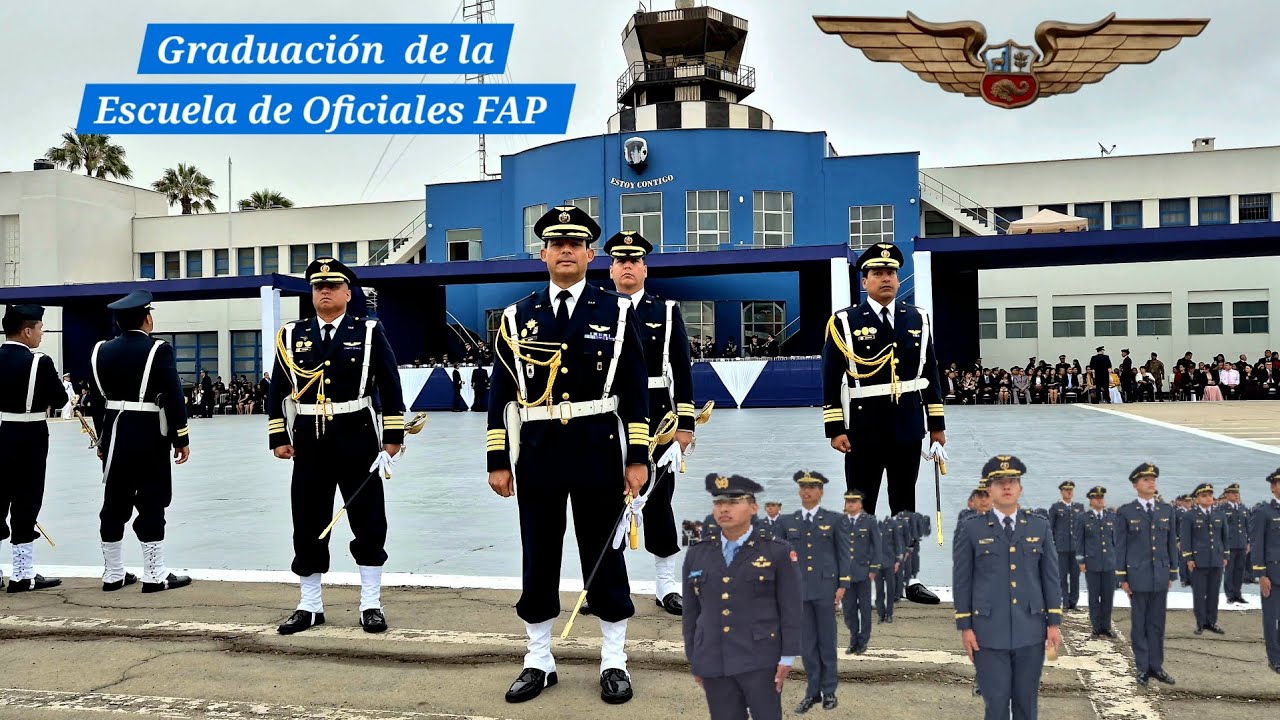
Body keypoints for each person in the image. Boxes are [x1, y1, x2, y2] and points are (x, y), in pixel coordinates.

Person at [485, 206, 649, 705]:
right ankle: (538, 659)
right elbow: (500, 394)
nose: (565, 251)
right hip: (537, 452)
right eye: (556, 244)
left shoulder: (617, 312)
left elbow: (635, 389)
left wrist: (637, 456)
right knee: (539, 553)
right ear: (543, 253)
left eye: (575, 244)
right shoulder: (517, 316)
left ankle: (614, 659)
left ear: (589, 254)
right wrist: (497, 458)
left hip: (598, 447)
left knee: (604, 553)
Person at [268, 258, 405, 635]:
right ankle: (310, 605)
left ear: (348, 293)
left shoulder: (369, 332)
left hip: (357, 434)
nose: (324, 291)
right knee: (308, 520)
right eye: (317, 286)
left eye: (332, 285)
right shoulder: (292, 335)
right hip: (310, 438)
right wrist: (279, 436)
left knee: (368, 519)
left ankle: (370, 603)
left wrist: (392, 438)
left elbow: (390, 386)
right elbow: (278, 388)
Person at [603, 230, 696, 616]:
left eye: (634, 260)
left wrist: (685, 425)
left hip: (658, 416)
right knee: (605, 504)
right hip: (608, 417)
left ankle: (665, 585)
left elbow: (683, 371)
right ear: (610, 269)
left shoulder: (666, 311)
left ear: (645, 268)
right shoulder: (599, 310)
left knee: (659, 502)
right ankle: (607, 588)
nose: (627, 265)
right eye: (620, 260)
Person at [821, 242, 946, 514]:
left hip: (908, 426)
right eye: (877, 273)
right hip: (863, 428)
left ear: (899, 280)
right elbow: (831, 378)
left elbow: (930, 375)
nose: (886, 278)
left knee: (904, 501)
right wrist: (835, 428)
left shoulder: (918, 319)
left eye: (891, 273)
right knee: (861, 502)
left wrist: (937, 426)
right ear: (864, 281)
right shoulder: (844, 321)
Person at [88, 290, 192, 593]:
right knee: (152, 499)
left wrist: (102, 441)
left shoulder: (100, 351)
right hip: (148, 433)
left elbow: (97, 402)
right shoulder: (158, 349)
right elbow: (173, 396)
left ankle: (113, 573)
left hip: (115, 433)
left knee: (114, 502)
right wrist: (180, 437)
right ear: (147, 318)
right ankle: (154, 574)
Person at [682, 473, 801, 720]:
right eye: (718, 502)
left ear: (754, 507)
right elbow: (692, 612)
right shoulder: (697, 553)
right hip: (714, 657)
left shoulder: (777, 552)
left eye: (734, 502)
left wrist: (787, 656)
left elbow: (790, 607)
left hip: (760, 657)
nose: (724, 508)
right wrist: (695, 657)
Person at [953, 455, 1062, 720]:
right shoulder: (971, 529)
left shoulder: (1039, 525)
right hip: (988, 633)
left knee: (1027, 705)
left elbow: (1050, 577)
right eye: (999, 482)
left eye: (1012, 481)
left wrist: (1053, 622)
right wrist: (965, 627)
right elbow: (962, 580)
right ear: (989, 490)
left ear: (1020, 488)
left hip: (1031, 630)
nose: (1006, 486)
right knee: (997, 705)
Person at [0, 304, 68, 593]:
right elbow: (61, 399)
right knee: (26, 501)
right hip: (29, 433)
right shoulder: (39, 362)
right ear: (27, 330)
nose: (42, 334)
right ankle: (22, 574)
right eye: (40, 328)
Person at [775, 471, 850, 713]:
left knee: (826, 643)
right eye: (803, 487)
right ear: (799, 492)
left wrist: (843, 585)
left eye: (813, 487)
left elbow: (843, 554)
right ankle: (813, 693)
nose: (807, 491)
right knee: (807, 645)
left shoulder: (836, 520)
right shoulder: (788, 522)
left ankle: (829, 692)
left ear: (821, 492)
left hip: (825, 589)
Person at [1115, 463, 1178, 686]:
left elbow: (1171, 543)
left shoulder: (1166, 510)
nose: (1151, 483)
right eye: (1145, 480)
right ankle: (1142, 667)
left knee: (1157, 624)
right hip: (1137, 576)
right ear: (1135, 485)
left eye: (1153, 479)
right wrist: (1122, 577)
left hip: (1160, 575)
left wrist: (1172, 572)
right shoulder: (1126, 512)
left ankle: (1156, 667)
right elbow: (1120, 547)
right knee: (1139, 625)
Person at [1181, 483, 1227, 635]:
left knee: (1214, 593)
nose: (1208, 498)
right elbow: (1186, 538)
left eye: (1210, 495)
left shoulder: (1219, 514)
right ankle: (1200, 623)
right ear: (1196, 499)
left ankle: (1211, 622)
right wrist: (1188, 558)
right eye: (1204, 495)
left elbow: (1225, 537)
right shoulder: (1189, 516)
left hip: (1216, 560)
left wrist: (1225, 555)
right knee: (1199, 593)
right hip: (1198, 560)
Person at [840, 490, 880, 655]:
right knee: (848, 610)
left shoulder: (869, 522)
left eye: (853, 502)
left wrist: (874, 568)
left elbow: (877, 546)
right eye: (847, 502)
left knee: (864, 609)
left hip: (864, 573)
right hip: (846, 574)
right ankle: (853, 638)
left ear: (860, 504)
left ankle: (861, 642)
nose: (850, 505)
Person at [1074, 486, 1117, 637]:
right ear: (1091, 501)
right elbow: (1079, 541)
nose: (1100, 500)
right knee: (1094, 596)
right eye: (1097, 498)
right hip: (1092, 563)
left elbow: (1115, 541)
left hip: (1109, 563)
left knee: (1108, 596)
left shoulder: (1111, 517)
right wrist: (1081, 561)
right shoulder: (1083, 518)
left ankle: (1106, 626)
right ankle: (1096, 627)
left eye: (1102, 498)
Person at [1250, 469, 1280, 673]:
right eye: (1277, 483)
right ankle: (1275, 658)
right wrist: (1261, 575)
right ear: (1273, 487)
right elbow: (1257, 544)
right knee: (1271, 619)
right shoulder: (1264, 512)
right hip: (1273, 574)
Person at [1049, 481, 1084, 610]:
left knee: (1075, 575)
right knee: (1062, 575)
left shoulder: (1079, 507)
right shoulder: (1056, 507)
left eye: (1071, 490)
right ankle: (1065, 602)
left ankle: (1074, 602)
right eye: (1066, 490)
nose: (1069, 492)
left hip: (1076, 548)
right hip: (1061, 547)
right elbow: (1050, 528)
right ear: (1061, 492)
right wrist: (1052, 545)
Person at [1219, 482, 1250, 604]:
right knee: (1229, 570)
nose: (1236, 495)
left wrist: (1248, 542)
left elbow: (1247, 527)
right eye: (1233, 493)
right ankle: (1230, 595)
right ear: (1227, 495)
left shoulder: (1243, 509)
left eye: (1237, 493)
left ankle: (1238, 594)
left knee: (1239, 570)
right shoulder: (1222, 509)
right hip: (1229, 545)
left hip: (1241, 544)